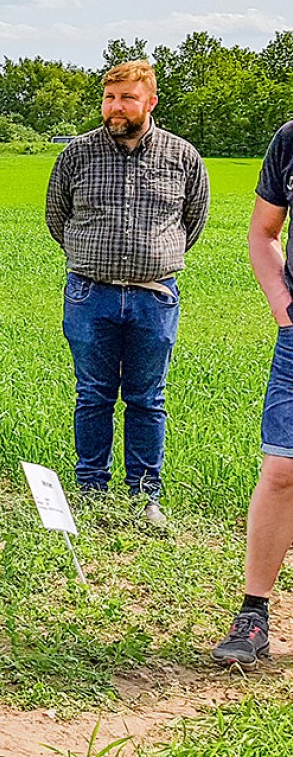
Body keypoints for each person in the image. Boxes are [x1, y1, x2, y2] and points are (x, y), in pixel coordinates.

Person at [45, 59, 209, 528]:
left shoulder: (182, 157)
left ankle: (143, 497)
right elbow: (58, 219)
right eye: (110, 98)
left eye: (127, 98)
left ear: (150, 101)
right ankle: (92, 491)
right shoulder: (76, 155)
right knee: (92, 395)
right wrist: (95, 258)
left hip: (153, 298)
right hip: (88, 295)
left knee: (147, 398)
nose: (115, 108)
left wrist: (149, 257)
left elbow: (191, 223)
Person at [210, 121, 293, 667]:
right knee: (282, 469)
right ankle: (254, 614)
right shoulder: (290, 139)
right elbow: (262, 232)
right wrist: (283, 310)